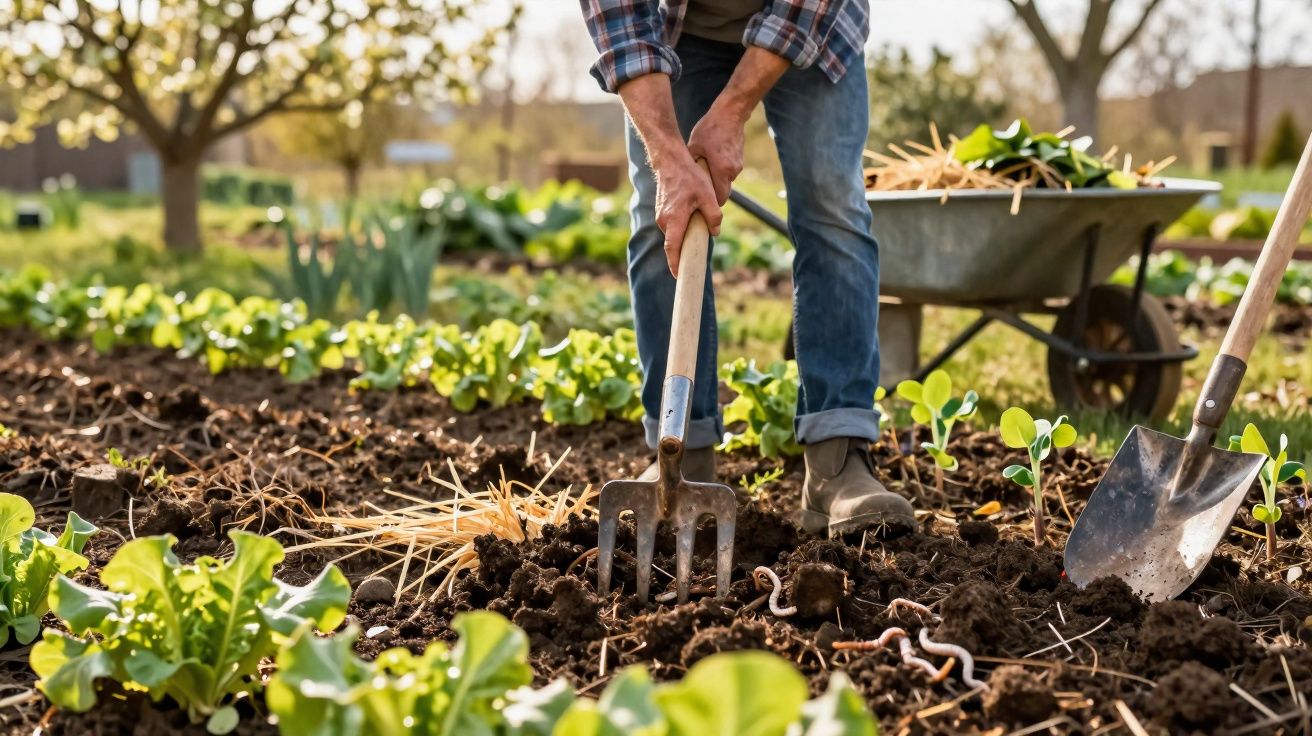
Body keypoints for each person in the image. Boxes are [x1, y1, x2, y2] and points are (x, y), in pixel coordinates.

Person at [579, 0, 914, 537]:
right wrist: (669, 159)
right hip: (677, 30)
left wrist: (731, 112)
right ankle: (680, 456)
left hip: (812, 24)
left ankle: (835, 462)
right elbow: (618, 19)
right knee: (657, 222)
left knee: (833, 211)